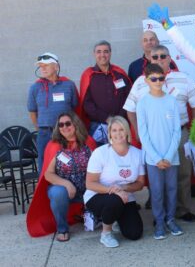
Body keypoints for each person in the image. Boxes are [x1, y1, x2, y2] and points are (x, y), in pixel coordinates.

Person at [124, 45, 195, 219]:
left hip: (180, 133)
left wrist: (194, 128)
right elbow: (130, 109)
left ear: (169, 58)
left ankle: (182, 209)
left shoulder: (183, 78)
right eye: (155, 57)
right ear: (149, 60)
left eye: (163, 56)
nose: (159, 59)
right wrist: (137, 130)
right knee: (156, 177)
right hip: (152, 137)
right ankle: (159, 214)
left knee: (183, 174)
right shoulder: (141, 82)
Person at [26, 112, 96, 239]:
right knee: (58, 193)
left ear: (76, 124)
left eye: (68, 123)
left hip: (88, 189)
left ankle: (92, 215)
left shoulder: (88, 142)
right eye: (61, 125)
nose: (64, 127)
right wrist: (67, 184)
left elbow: (99, 168)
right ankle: (62, 229)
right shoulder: (54, 145)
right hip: (66, 191)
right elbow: (48, 174)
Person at [136, 63, 183, 239]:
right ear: (146, 80)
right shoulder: (143, 104)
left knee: (172, 189)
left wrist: (169, 156)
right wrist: (156, 158)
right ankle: (160, 222)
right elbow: (143, 134)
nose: (157, 81)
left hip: (171, 157)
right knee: (156, 191)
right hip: (153, 158)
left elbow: (176, 131)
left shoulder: (171, 101)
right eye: (153, 78)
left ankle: (171, 219)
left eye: (160, 78)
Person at [85, 116, 146, 248]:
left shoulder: (137, 154)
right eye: (114, 130)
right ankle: (106, 233)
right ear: (109, 133)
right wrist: (114, 190)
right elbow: (90, 184)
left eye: (121, 129)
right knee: (114, 200)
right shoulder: (100, 153)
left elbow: (140, 183)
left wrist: (122, 187)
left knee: (134, 233)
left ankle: (114, 217)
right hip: (98, 196)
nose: (118, 133)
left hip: (125, 197)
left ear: (127, 132)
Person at [27, 52, 79, 172]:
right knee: (45, 166)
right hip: (45, 134)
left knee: (67, 165)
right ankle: (45, 191)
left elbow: (75, 108)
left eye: (46, 65)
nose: (42, 68)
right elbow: (32, 111)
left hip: (66, 133)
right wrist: (40, 128)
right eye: (40, 66)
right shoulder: (35, 88)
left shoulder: (69, 85)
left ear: (56, 66)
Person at [79, 40, 131, 145]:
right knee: (101, 157)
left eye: (106, 51)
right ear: (94, 54)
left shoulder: (120, 73)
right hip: (98, 126)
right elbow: (87, 103)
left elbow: (129, 98)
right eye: (99, 52)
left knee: (121, 154)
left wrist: (119, 119)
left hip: (121, 124)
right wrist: (107, 119)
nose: (102, 55)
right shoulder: (88, 75)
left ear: (110, 53)